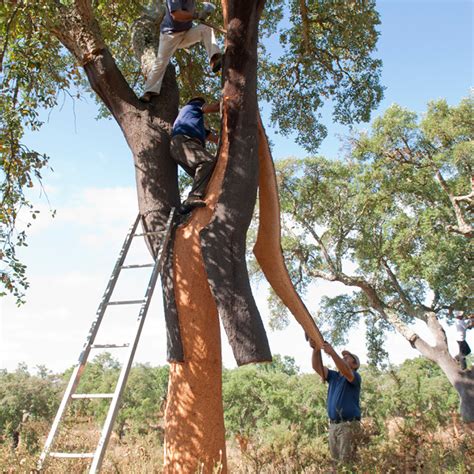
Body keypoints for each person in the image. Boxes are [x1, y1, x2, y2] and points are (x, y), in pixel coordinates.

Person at [141, 0, 222, 101]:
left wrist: (205, 11)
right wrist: (197, 15)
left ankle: (215, 59)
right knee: (161, 63)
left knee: (206, 29)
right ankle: (148, 92)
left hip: (186, 33)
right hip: (170, 36)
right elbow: (176, 15)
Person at [309, 338, 362, 464]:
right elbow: (317, 367)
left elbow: (345, 370)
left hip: (348, 426)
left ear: (354, 365)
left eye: (347, 357)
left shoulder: (354, 376)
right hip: (333, 426)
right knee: (336, 463)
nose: (344, 357)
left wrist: (332, 353)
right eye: (343, 356)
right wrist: (316, 350)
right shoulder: (334, 376)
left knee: (347, 464)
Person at [170, 96, 219, 213]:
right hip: (183, 142)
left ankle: (188, 209)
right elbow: (216, 107)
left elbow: (216, 139)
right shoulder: (192, 106)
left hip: (182, 146)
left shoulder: (196, 123)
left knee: (209, 177)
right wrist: (229, 101)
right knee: (207, 162)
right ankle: (192, 197)